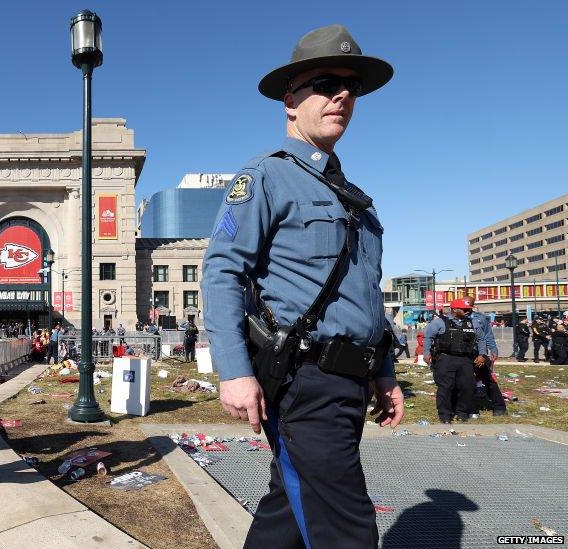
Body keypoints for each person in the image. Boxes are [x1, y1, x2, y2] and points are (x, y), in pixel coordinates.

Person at [201, 25, 402, 548]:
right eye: (325, 83)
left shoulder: (357, 199)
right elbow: (223, 271)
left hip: (349, 383)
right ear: (290, 100)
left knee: (287, 516)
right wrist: (234, 372)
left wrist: (383, 372)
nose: (341, 95)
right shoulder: (265, 178)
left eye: (350, 87)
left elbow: (366, 298)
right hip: (303, 383)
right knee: (347, 530)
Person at [423, 298, 489, 423]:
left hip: (466, 360)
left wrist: (482, 354)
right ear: (454, 310)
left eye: (469, 310)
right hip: (445, 358)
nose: (468, 312)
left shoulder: (473, 323)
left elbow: (481, 339)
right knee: (445, 387)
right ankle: (445, 414)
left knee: (467, 386)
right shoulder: (440, 322)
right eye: (464, 310)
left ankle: (462, 412)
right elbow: (428, 337)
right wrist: (426, 353)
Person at [467, 297, 506, 416]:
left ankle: (499, 407)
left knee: (488, 380)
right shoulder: (454, 318)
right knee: (465, 381)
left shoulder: (480, 318)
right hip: (463, 355)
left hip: (480, 354)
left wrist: (493, 349)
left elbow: (488, 335)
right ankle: (469, 408)